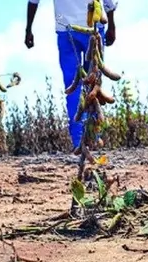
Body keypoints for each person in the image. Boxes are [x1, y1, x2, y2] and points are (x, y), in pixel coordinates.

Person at [24, 0, 117, 155]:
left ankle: (81, 140)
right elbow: (109, 3)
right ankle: (90, 139)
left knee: (76, 87)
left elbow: (33, 1)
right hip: (88, 29)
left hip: (71, 30)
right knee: (91, 84)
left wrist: (28, 29)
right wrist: (112, 25)